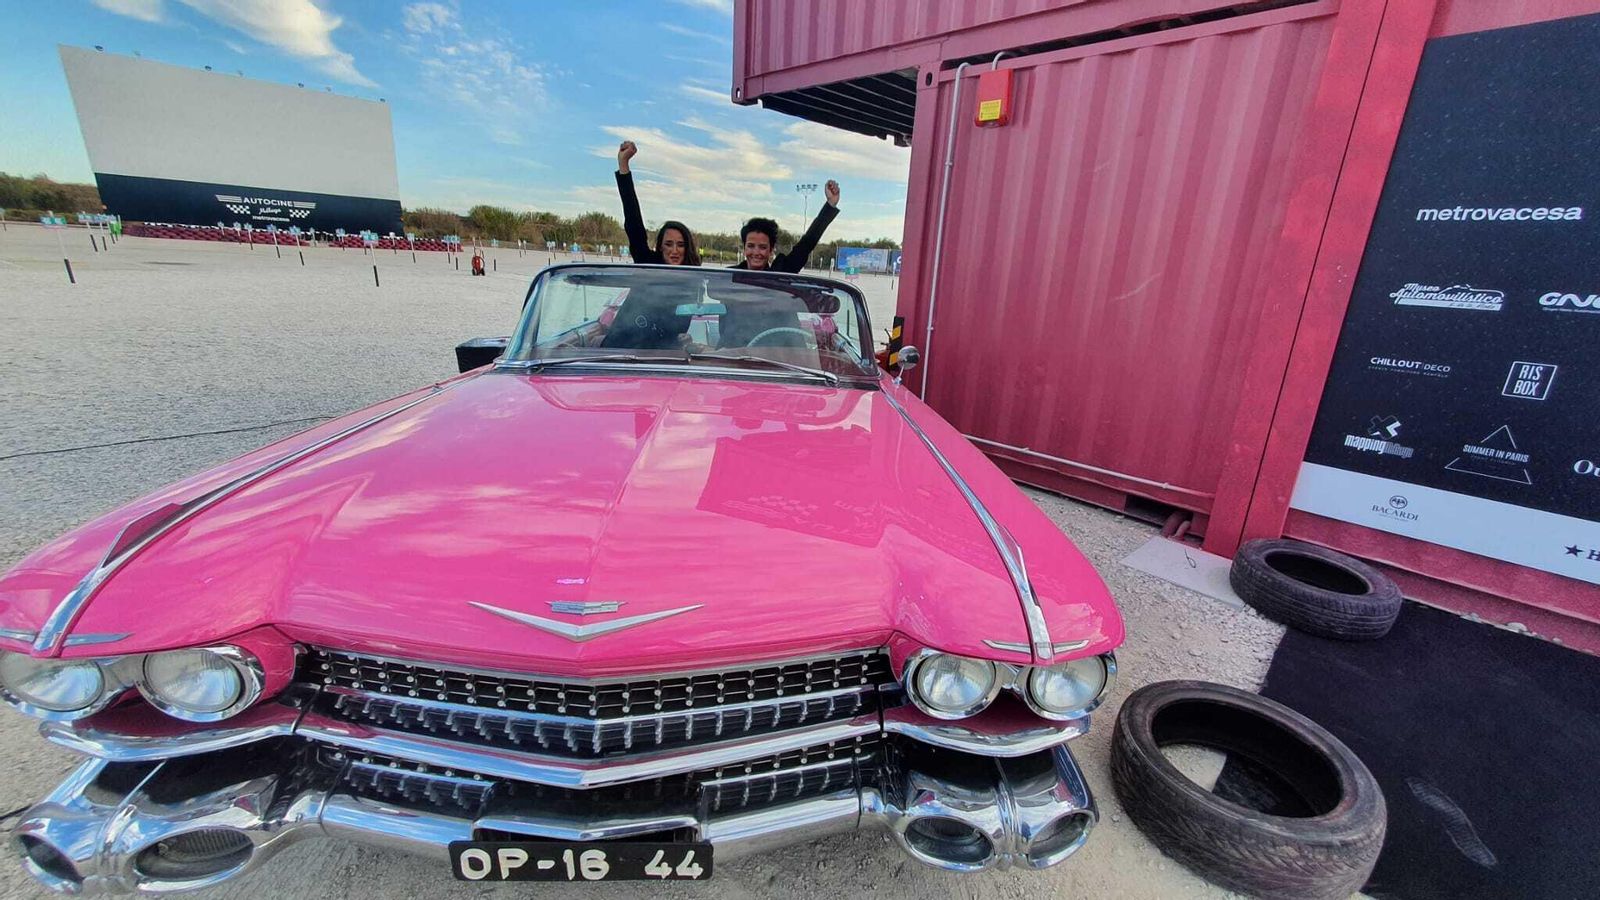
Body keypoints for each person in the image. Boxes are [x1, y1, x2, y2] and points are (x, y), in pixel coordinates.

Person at [615, 141, 702, 266]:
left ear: (687, 248)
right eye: (668, 244)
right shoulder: (648, 263)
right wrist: (623, 164)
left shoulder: (697, 274)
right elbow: (634, 223)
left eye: (681, 245)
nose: (675, 251)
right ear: (660, 247)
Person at [733, 180, 840, 273]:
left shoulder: (782, 272)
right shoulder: (727, 277)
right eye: (751, 246)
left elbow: (806, 244)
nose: (756, 252)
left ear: (771, 250)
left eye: (762, 247)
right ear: (744, 248)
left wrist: (830, 204)